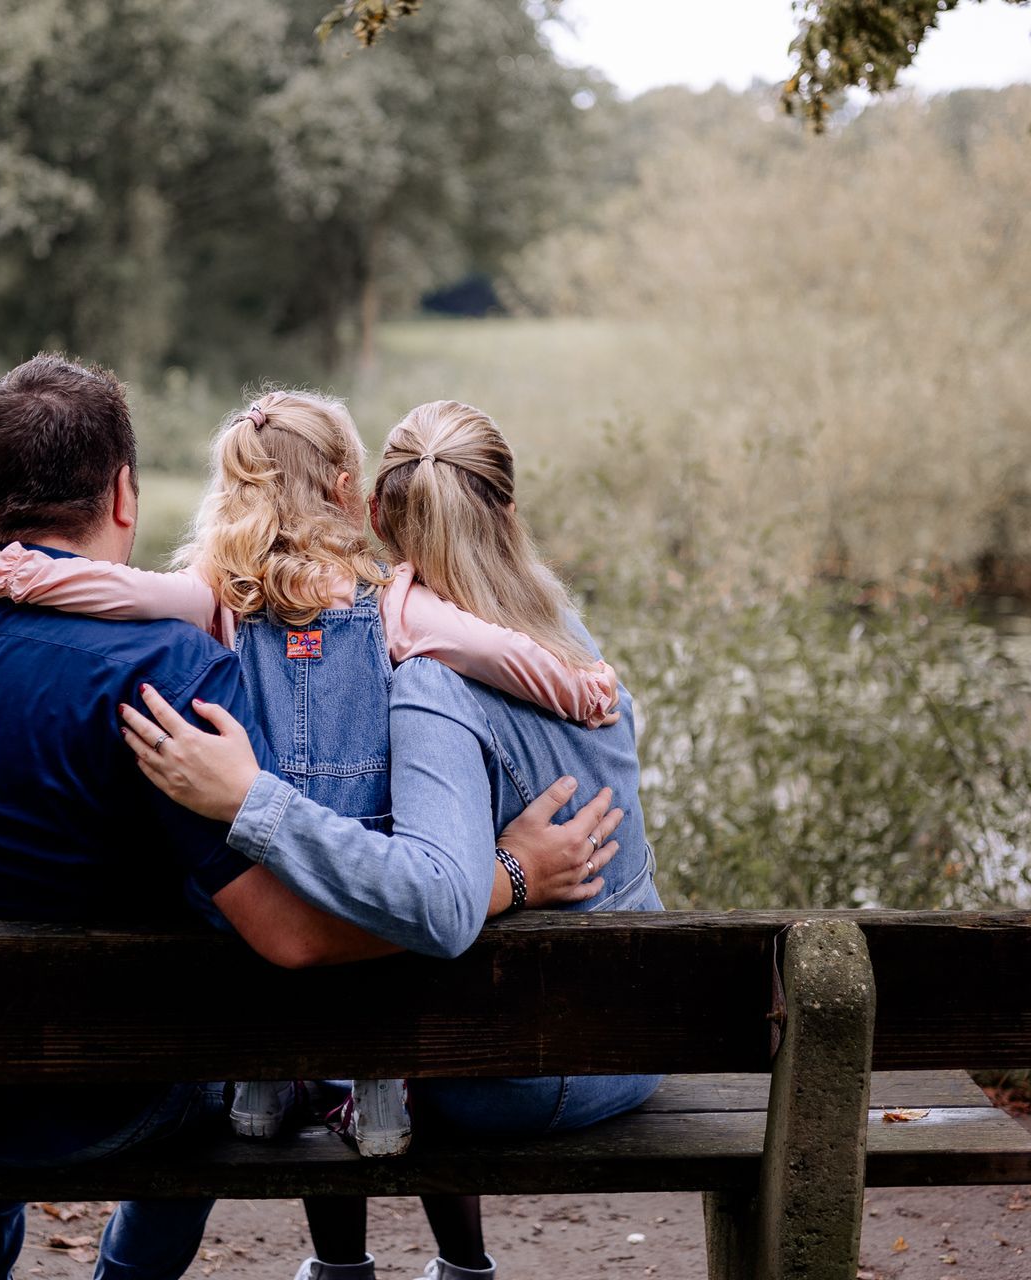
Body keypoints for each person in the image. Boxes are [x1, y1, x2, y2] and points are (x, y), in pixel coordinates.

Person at [0, 357, 615, 1280]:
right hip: (103, 1099)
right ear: (124, 491)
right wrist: (507, 875)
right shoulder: (165, 670)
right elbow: (293, 939)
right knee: (204, 1086)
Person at [116, 399, 664, 1280]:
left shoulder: (424, 683)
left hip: (511, 1070)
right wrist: (516, 863)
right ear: (508, 508)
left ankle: (351, 1265)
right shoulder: (562, 633)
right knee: (371, 919)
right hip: (642, 1028)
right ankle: (452, 1265)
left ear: (376, 510)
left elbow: (433, 904)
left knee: (355, 939)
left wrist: (14, 573)